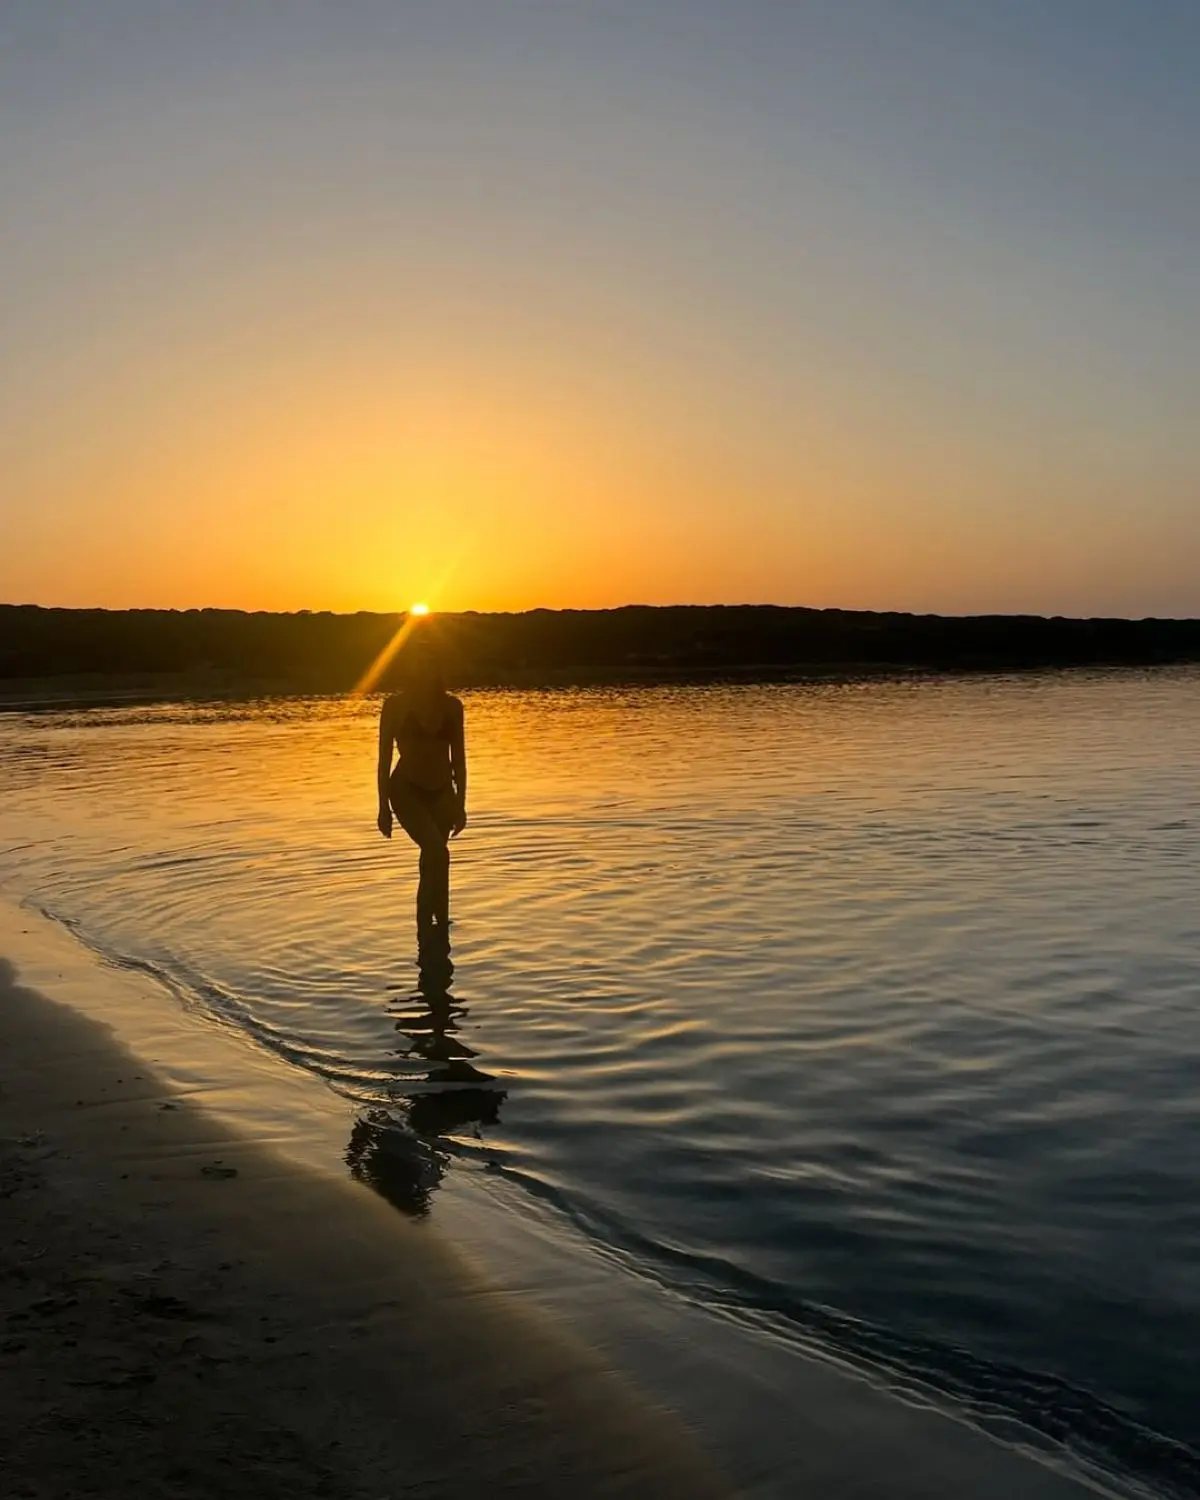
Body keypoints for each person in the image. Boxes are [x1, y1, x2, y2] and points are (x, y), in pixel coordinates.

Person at [376, 647, 467, 957]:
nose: (423, 672)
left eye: (429, 665)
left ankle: (438, 930)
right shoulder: (395, 706)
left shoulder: (453, 707)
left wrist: (461, 803)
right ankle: (423, 932)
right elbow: (384, 758)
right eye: (418, 665)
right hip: (405, 790)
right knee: (437, 853)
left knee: (434, 863)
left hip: (443, 791)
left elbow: (460, 760)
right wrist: (382, 808)